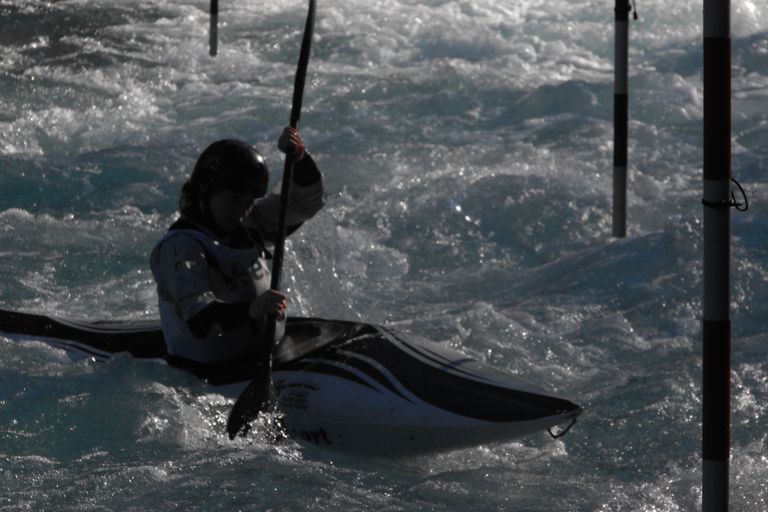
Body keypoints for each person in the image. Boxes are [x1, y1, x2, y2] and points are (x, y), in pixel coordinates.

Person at [149, 127, 325, 381]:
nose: (242, 211)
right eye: (233, 199)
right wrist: (252, 309)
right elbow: (200, 320)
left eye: (248, 201)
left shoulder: (249, 224)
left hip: (268, 355)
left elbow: (307, 203)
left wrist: (300, 158)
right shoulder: (180, 247)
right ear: (205, 192)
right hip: (208, 374)